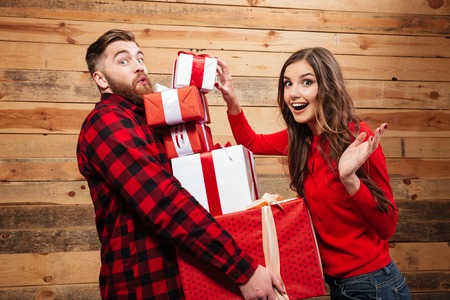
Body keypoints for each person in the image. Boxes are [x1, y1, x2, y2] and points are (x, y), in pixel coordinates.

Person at [77, 29, 286, 300]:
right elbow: (163, 200)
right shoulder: (106, 122)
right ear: (100, 79)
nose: (139, 65)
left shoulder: (150, 121)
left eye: (140, 57)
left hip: (182, 279)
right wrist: (240, 268)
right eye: (123, 60)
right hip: (143, 286)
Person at [214, 47, 411, 299]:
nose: (293, 93)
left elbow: (388, 226)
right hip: (339, 285)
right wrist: (231, 99)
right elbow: (250, 142)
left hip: (374, 286)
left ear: (327, 87)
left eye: (306, 82)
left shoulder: (359, 139)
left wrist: (349, 179)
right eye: (287, 84)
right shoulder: (300, 140)